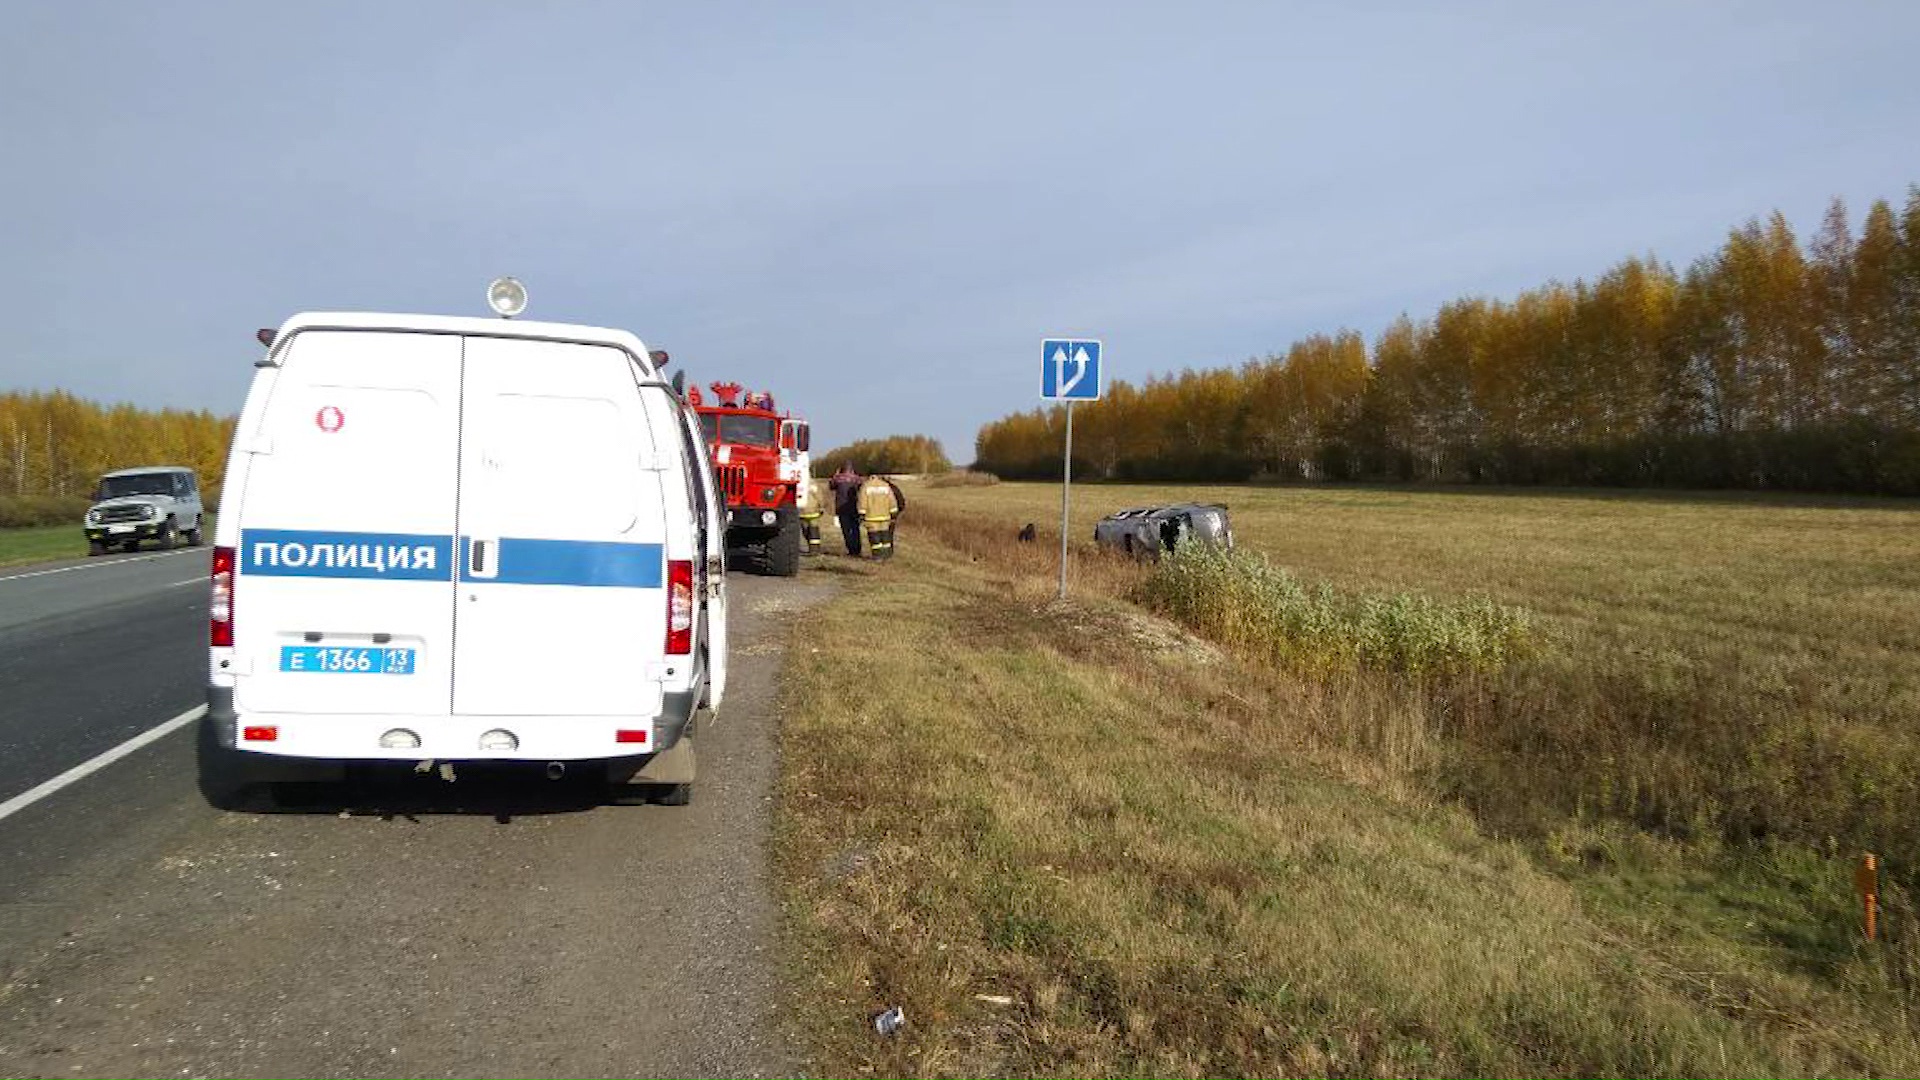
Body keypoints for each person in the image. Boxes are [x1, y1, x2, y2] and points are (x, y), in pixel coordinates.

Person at [857, 472, 903, 560]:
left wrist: (861, 514)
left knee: (874, 537)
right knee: (885, 536)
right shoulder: (885, 486)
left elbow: (862, 501)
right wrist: (893, 513)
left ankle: (878, 556)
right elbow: (892, 500)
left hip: (871, 517)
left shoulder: (866, 486)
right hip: (885, 516)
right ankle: (886, 555)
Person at [828, 462, 864, 556]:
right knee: (855, 528)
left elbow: (831, 486)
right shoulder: (857, 479)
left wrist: (835, 474)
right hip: (854, 506)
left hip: (841, 507)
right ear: (852, 469)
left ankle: (851, 549)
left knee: (846, 529)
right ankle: (857, 549)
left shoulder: (838, 478)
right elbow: (862, 488)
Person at [796, 473, 827, 556]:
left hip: (801, 512)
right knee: (814, 530)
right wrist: (822, 506)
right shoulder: (813, 484)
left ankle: (811, 548)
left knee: (806, 530)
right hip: (813, 511)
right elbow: (819, 496)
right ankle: (814, 549)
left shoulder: (797, 483)